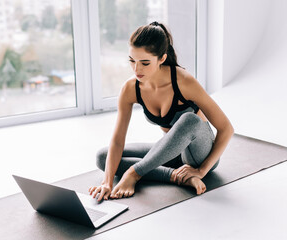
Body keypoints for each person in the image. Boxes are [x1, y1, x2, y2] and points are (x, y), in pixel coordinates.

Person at [88, 21, 234, 202]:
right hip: (172, 152)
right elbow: (118, 140)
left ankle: (134, 173)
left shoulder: (183, 81)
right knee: (103, 157)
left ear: (162, 59)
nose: (137, 69)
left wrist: (202, 170)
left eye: (145, 63)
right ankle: (175, 176)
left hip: (199, 155)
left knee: (190, 119)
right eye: (132, 61)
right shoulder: (130, 88)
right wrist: (107, 182)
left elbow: (226, 128)